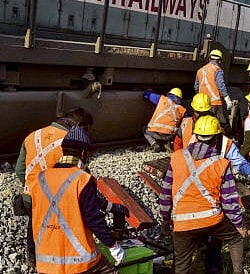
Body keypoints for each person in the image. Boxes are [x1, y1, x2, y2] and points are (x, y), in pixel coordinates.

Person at [29, 125, 125, 273]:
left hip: (46, 262)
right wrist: (112, 245)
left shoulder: (40, 179)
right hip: (80, 261)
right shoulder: (82, 179)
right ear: (84, 153)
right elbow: (93, 218)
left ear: (63, 150)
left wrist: (109, 206)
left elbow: (63, 202)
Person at [159, 115, 248, 274]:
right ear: (216, 140)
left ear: (195, 136)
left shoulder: (176, 158)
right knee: (235, 239)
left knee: (180, 267)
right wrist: (239, 225)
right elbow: (229, 201)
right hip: (212, 220)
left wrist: (166, 219)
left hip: (183, 223)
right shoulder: (221, 163)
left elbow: (165, 193)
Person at [15, 107, 93, 266]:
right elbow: (79, 174)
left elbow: (19, 170)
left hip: (29, 197)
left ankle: (32, 256)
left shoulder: (32, 136)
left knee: (34, 222)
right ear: (81, 126)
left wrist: (32, 187)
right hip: (58, 199)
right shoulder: (72, 142)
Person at [194, 49, 233, 128]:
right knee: (218, 124)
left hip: (203, 103)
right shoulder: (217, 70)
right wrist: (227, 100)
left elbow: (196, 87)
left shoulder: (200, 70)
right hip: (215, 103)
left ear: (209, 59)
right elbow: (221, 86)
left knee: (202, 123)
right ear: (220, 61)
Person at [143, 88, 186, 153]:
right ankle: (167, 143)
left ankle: (154, 144)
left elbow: (147, 95)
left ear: (169, 94)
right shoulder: (182, 109)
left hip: (156, 132)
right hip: (170, 136)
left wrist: (149, 90)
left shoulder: (162, 99)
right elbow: (187, 121)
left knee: (144, 129)